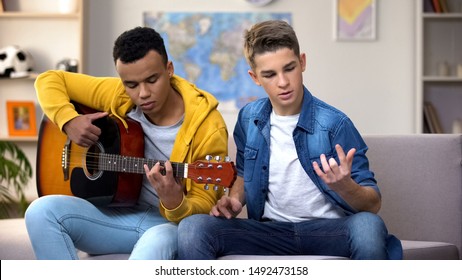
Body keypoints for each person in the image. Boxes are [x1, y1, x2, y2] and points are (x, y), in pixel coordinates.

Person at [178, 20, 403, 260]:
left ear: (302, 62)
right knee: (194, 229)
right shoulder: (249, 119)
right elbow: (243, 174)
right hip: (269, 232)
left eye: (289, 68)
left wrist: (344, 186)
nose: (283, 82)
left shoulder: (335, 124)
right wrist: (234, 200)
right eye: (270, 74)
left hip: (327, 232)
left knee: (369, 226)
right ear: (255, 77)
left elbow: (372, 204)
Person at [25, 26, 229, 260]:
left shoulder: (209, 126)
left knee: (156, 242)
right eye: (131, 85)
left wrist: (175, 201)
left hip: (166, 225)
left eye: (152, 80)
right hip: (115, 215)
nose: (143, 93)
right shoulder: (117, 94)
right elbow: (49, 79)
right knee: (40, 211)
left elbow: (204, 204)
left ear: (169, 69)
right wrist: (68, 120)